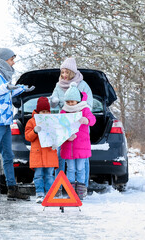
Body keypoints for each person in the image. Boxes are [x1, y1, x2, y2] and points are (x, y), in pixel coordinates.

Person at [0, 47, 35, 202]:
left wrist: (22, 88)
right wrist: (6, 87)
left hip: (4, 121)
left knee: (8, 156)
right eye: (11, 59)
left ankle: (12, 189)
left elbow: (6, 93)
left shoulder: (2, 74)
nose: (13, 62)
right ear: (4, 60)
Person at [50, 57, 93, 188]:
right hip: (64, 125)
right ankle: (61, 186)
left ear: (72, 72)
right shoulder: (58, 86)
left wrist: (79, 115)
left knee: (82, 159)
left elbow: (89, 105)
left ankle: (82, 187)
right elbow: (53, 108)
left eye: (66, 72)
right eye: (62, 72)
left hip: (80, 125)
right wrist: (54, 103)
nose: (64, 75)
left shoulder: (83, 85)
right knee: (60, 155)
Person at [60, 82, 96, 199]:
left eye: (72, 101)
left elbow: (93, 119)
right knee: (70, 168)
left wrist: (86, 120)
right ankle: (71, 192)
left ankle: (80, 191)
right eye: (68, 102)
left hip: (81, 146)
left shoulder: (84, 109)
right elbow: (59, 126)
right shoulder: (64, 111)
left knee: (80, 168)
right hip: (69, 146)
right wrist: (66, 136)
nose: (70, 104)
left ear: (77, 101)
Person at [24, 97, 59, 203]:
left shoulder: (53, 121)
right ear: (38, 111)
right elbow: (28, 137)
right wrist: (34, 131)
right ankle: (40, 194)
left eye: (46, 111)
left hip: (50, 153)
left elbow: (58, 135)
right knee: (38, 175)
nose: (44, 113)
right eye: (42, 111)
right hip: (37, 154)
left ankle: (49, 194)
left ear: (49, 111)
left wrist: (55, 144)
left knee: (49, 175)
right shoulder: (31, 122)